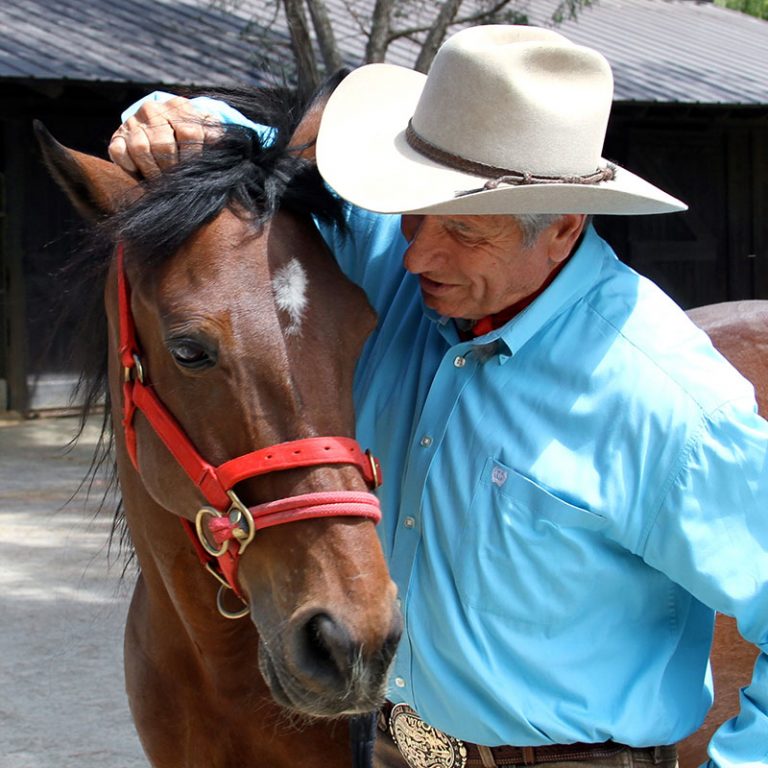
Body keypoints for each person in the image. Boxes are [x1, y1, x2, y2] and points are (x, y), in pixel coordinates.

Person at [108, 25, 768, 768]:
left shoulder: (664, 401)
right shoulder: (406, 262)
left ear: (563, 225)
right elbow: (248, 151)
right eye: (412, 212)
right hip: (401, 751)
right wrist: (166, 115)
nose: (417, 251)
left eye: (461, 229)